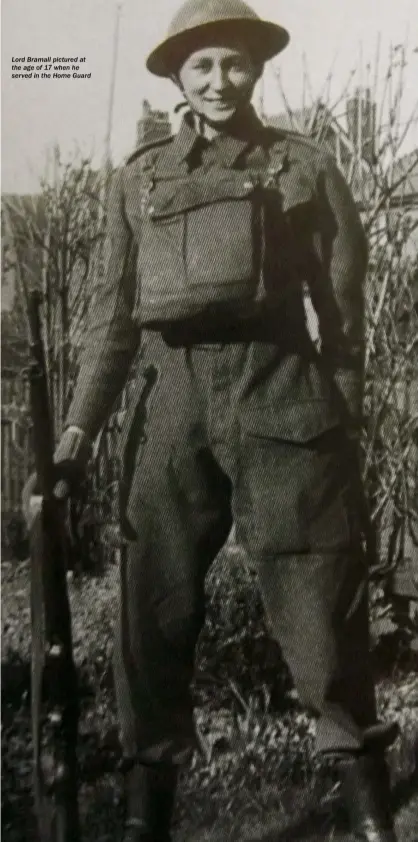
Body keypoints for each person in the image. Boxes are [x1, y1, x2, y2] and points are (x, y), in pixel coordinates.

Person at [24, 1, 399, 840]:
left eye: (233, 64)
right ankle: (144, 812)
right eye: (201, 68)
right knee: (150, 616)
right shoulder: (139, 177)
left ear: (257, 69)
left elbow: (341, 309)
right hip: (169, 412)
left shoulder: (304, 167)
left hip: (282, 397)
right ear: (176, 77)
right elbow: (111, 323)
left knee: (320, 602)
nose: (219, 81)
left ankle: (373, 814)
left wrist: (339, 414)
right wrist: (80, 432)